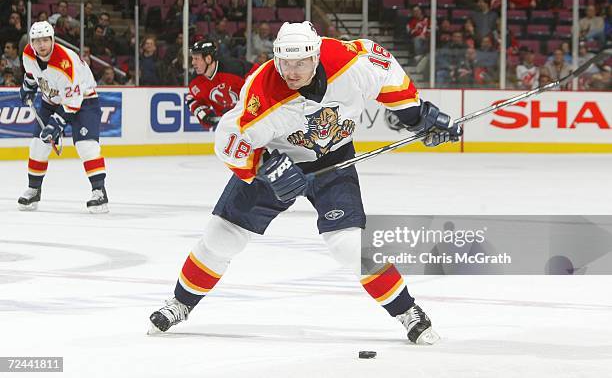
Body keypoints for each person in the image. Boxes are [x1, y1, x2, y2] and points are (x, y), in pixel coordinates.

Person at [148, 21, 462, 345]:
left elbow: (384, 67)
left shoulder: (348, 63)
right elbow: (228, 140)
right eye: (285, 62)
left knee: (350, 247)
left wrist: (416, 114)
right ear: (276, 58)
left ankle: (408, 311)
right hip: (277, 161)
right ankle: (180, 303)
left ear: (316, 56)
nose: (292, 71)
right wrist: (266, 165)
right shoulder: (262, 91)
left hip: (334, 161)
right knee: (222, 237)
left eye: (300, 62)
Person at [17, 21, 109, 213]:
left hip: (83, 102)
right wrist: (28, 86)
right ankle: (34, 190)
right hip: (51, 101)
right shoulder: (27, 53)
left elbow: (73, 102)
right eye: (36, 41)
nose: (41, 45)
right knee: (38, 144)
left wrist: (55, 124)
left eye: (45, 40)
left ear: (52, 40)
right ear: (31, 42)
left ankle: (99, 192)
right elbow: (32, 74)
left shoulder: (65, 62)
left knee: (86, 146)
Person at [185, 39, 258, 130]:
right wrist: (204, 115)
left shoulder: (236, 68)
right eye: (192, 58)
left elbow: (260, 80)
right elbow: (191, 99)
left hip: (253, 122)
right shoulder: (195, 82)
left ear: (208, 59)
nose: (193, 63)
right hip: (227, 126)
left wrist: (252, 109)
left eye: (196, 59)